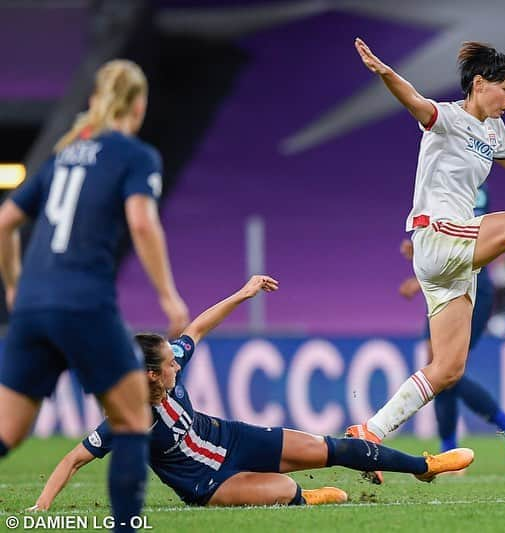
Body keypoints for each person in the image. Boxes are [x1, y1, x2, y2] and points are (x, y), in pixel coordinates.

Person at [348, 38, 505, 483]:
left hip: (453, 261)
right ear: (480, 84)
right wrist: (384, 71)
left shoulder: (495, 133)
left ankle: (369, 431)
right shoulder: (446, 118)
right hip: (438, 234)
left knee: (448, 368)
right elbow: (414, 100)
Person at [28, 275, 474, 511]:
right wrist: (41, 506)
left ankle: (424, 466)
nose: (177, 363)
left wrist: (243, 293)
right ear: (149, 376)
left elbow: (197, 327)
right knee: (281, 488)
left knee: (331, 448)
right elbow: (73, 458)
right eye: (168, 363)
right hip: (209, 482)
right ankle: (303, 498)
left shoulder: (169, 367)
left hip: (233, 438)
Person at [0, 60, 189, 531]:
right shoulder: (135, 155)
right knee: (129, 420)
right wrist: (169, 296)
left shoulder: (63, 155)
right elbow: (143, 223)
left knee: (7, 432)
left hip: (31, 306)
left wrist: (12, 286)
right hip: (83, 302)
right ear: (139, 104)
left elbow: (5, 222)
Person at [398, 183, 505, 473]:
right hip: (452, 284)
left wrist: (426, 251)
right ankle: (452, 453)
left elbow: (467, 243)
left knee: (444, 370)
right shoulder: (456, 176)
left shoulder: (464, 179)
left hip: (469, 286)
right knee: (442, 370)